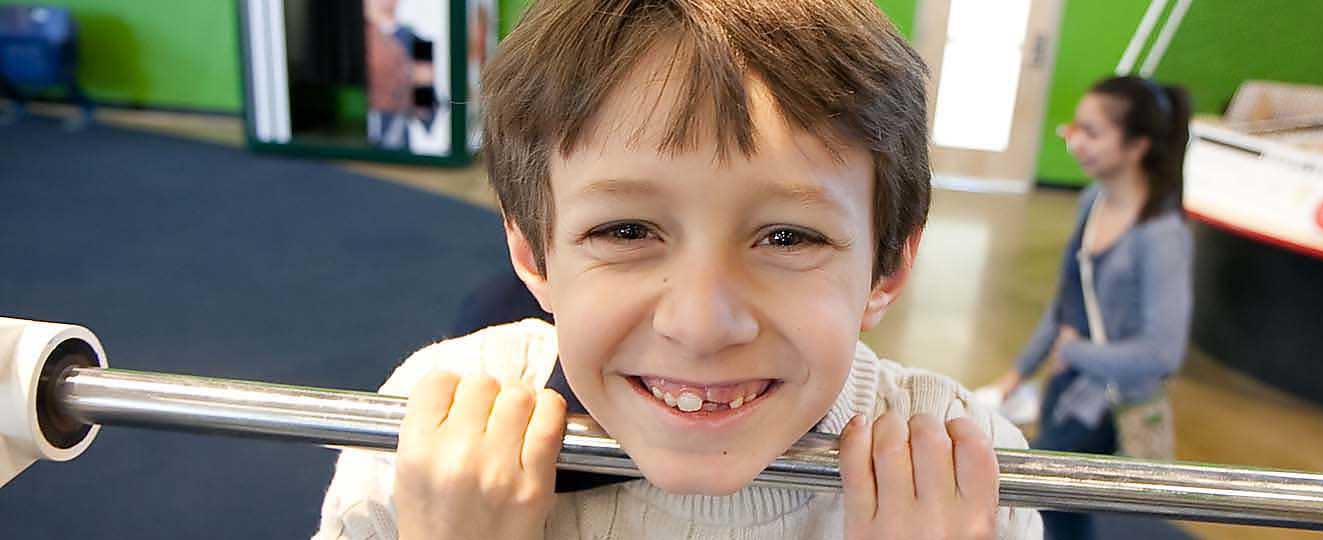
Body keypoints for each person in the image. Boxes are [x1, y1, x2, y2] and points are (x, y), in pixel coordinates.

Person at [314, 0, 1042, 538]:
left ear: (887, 269)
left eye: (788, 237)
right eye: (626, 229)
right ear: (534, 253)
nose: (700, 325)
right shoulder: (425, 431)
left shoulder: (968, 473)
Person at [989, 76, 1195, 540]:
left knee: (1047, 504)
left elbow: (1163, 353)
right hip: (1066, 389)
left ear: (1137, 146)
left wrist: (1078, 353)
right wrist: (1017, 373)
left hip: (1107, 405)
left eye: (1092, 131)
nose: (1075, 141)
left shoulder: (1160, 237)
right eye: (1074, 128)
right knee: (1059, 510)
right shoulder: (1092, 201)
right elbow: (1065, 304)